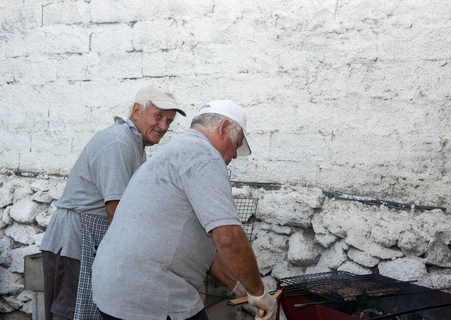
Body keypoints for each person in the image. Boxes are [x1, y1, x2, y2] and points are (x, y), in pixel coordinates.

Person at [91, 100, 278, 320]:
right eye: (236, 145)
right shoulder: (205, 155)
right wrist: (260, 292)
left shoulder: (177, 150)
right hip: (150, 293)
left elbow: (196, 247)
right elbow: (228, 237)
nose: (235, 155)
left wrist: (239, 286)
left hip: (113, 288)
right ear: (224, 128)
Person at [39, 84, 186, 320]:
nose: (163, 126)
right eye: (158, 117)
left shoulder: (134, 143)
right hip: (76, 241)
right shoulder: (119, 143)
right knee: (69, 313)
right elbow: (116, 211)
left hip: (90, 238)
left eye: (169, 121)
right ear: (137, 110)